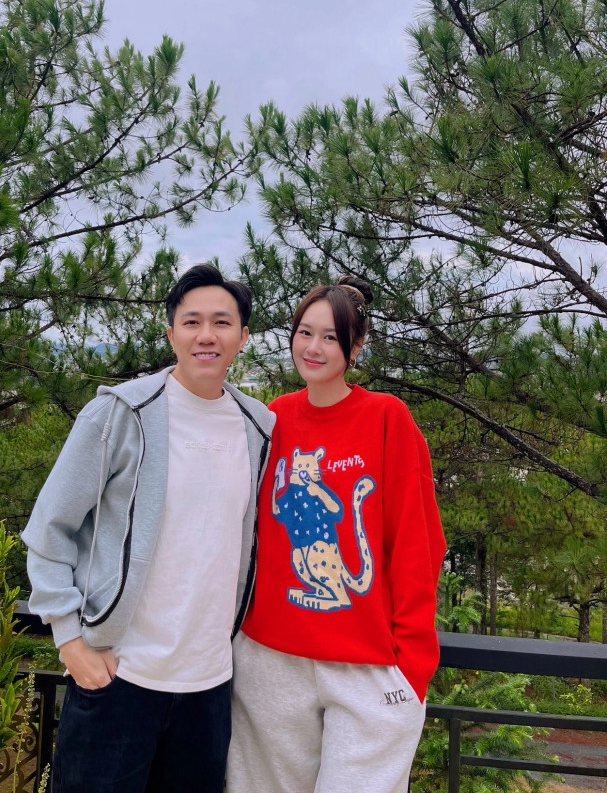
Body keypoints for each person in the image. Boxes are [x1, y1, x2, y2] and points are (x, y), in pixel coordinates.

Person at [22, 263, 274, 793]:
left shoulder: (260, 428)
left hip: (209, 689)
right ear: (171, 333)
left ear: (243, 337)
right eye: (192, 321)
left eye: (222, 322)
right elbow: (49, 529)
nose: (206, 335)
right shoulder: (120, 414)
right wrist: (70, 640)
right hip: (117, 678)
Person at [227, 276, 446, 793]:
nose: (314, 347)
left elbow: (417, 542)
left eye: (330, 337)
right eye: (305, 332)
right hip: (270, 659)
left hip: (366, 666)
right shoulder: (274, 416)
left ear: (356, 345)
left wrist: (412, 668)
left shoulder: (386, 417)